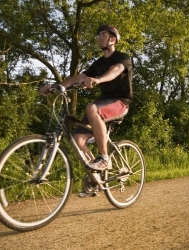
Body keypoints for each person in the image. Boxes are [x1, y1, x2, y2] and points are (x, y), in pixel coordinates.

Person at [39, 24, 133, 191]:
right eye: (98, 35)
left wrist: (98, 80)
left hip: (120, 102)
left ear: (112, 39)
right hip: (103, 102)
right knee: (77, 140)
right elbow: (80, 76)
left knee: (91, 107)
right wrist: (57, 86)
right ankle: (96, 177)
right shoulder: (98, 63)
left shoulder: (122, 58)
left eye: (103, 34)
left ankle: (104, 158)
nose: (99, 37)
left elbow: (116, 70)